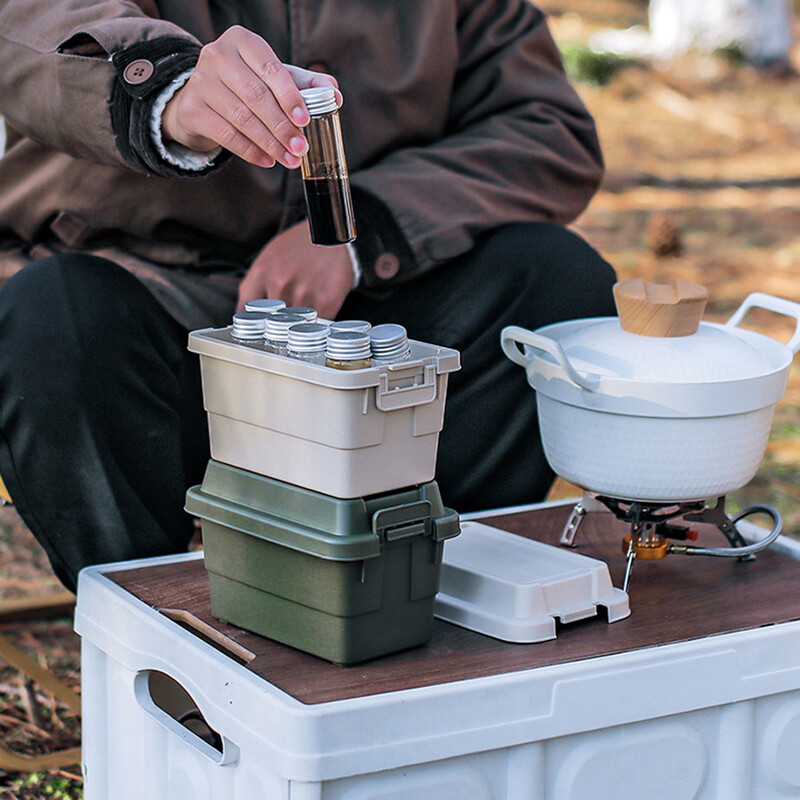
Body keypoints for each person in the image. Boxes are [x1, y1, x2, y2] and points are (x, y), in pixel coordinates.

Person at [0, 0, 617, 592]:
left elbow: (546, 128)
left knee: (553, 280)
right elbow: (30, 34)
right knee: (51, 320)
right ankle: (157, 639)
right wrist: (166, 91)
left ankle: (417, 588)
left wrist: (363, 229)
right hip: (145, 294)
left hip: (371, 320)